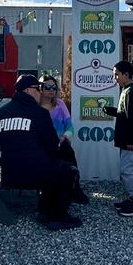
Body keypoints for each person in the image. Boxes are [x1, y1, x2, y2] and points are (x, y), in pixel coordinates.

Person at [0, 74, 81, 230]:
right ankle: (57, 216)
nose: (40, 92)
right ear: (27, 91)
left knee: (50, 167)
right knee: (67, 170)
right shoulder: (40, 113)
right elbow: (52, 146)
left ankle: (44, 210)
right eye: (37, 89)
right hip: (35, 175)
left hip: (10, 173)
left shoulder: (4, 111)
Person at [104, 61, 133, 217]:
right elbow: (126, 113)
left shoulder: (132, 92)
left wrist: (132, 141)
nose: (115, 77)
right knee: (130, 169)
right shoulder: (127, 91)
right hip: (128, 139)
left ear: (126, 75)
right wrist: (114, 111)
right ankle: (132, 198)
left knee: (127, 170)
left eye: (116, 74)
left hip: (130, 140)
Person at [38, 74, 89, 204]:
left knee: (67, 151)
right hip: (41, 146)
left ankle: (75, 186)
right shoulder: (35, 107)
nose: (51, 89)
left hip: (60, 144)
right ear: (41, 89)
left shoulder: (60, 105)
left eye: (54, 87)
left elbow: (70, 128)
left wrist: (63, 138)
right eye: (48, 86)